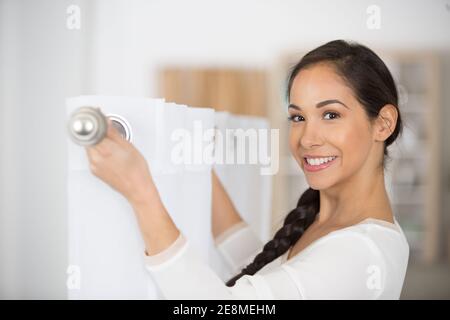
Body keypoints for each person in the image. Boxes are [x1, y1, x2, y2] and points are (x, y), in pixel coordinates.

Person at [85, 39, 409, 299]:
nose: (307, 139)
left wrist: (140, 192)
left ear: (383, 123)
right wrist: (200, 168)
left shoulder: (360, 254)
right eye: (298, 117)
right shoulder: (328, 223)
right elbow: (263, 267)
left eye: (331, 115)